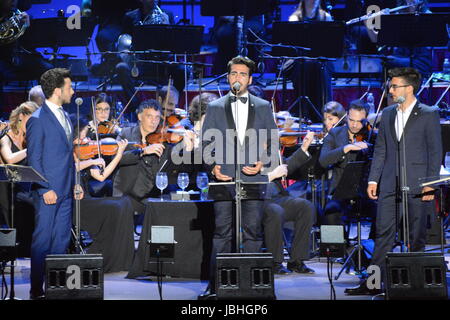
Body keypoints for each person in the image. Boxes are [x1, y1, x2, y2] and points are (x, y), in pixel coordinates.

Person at [345, 67, 442, 295]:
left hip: (418, 185)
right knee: (383, 234)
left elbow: (435, 152)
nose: (390, 89)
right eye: (391, 85)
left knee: (415, 236)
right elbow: (380, 150)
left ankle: (417, 283)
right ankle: (372, 284)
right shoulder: (388, 113)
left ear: (409, 88)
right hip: (389, 183)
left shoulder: (428, 113)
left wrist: (431, 184)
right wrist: (373, 180)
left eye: (395, 86)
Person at [199, 56, 278, 298]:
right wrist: (213, 167)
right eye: (234, 73)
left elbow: (272, 145)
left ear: (249, 79)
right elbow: (205, 145)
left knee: (253, 231)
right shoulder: (214, 107)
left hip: (253, 180)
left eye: (242, 74)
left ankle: (254, 285)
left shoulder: (263, 106)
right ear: (228, 77)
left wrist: (262, 163)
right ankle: (216, 286)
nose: (237, 78)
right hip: (224, 180)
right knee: (222, 233)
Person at [26, 68, 83, 299]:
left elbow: (69, 155)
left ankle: (55, 287)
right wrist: (44, 188)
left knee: (61, 240)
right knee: (43, 241)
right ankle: (36, 290)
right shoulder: (38, 120)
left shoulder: (65, 115)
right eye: (70, 87)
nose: (73, 91)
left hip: (66, 190)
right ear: (58, 90)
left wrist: (76, 183)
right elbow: (33, 159)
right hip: (48, 192)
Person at [72, 116, 135, 272]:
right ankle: (103, 254)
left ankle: (121, 258)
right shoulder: (66, 152)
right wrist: (92, 162)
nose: (85, 140)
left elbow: (101, 176)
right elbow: (71, 167)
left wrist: (119, 154)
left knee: (124, 202)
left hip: (87, 199)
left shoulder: (85, 153)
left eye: (86, 136)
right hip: (75, 204)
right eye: (82, 136)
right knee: (113, 208)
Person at [115, 0, 183, 115]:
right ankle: (136, 108)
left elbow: (173, 42)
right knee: (121, 67)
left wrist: (167, 26)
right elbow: (124, 39)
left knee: (181, 70)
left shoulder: (167, 14)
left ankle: (171, 106)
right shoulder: (130, 16)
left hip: (162, 64)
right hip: (139, 62)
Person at [263, 131, 316, 274]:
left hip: (277, 197)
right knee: (275, 211)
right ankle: (275, 262)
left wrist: (304, 148)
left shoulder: (271, 153)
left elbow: (286, 167)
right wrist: (272, 175)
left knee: (305, 207)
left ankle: (296, 260)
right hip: (257, 199)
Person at [319, 100, 377, 226]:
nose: (355, 125)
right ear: (346, 115)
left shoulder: (371, 135)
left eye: (359, 122)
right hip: (340, 190)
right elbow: (323, 160)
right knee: (331, 213)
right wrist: (347, 148)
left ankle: (378, 244)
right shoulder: (335, 134)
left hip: (366, 191)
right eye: (351, 120)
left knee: (384, 211)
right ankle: (335, 245)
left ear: (366, 119)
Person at [285, 0, 333, 123]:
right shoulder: (295, 18)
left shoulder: (326, 17)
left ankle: (323, 112)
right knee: (306, 66)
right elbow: (292, 46)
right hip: (301, 61)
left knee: (320, 67)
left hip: (320, 60)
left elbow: (330, 43)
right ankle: (303, 113)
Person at [0, 101, 38, 256]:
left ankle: (27, 248)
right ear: (21, 117)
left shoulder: (30, 137)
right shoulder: (6, 137)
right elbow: (9, 159)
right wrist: (31, 149)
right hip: (6, 186)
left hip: (23, 186)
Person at [0, 0, 52, 108]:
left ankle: (45, 109)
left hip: (19, 58)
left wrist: (27, 27)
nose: (13, 1)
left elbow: (30, 45)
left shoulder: (19, 16)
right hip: (3, 59)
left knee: (47, 69)